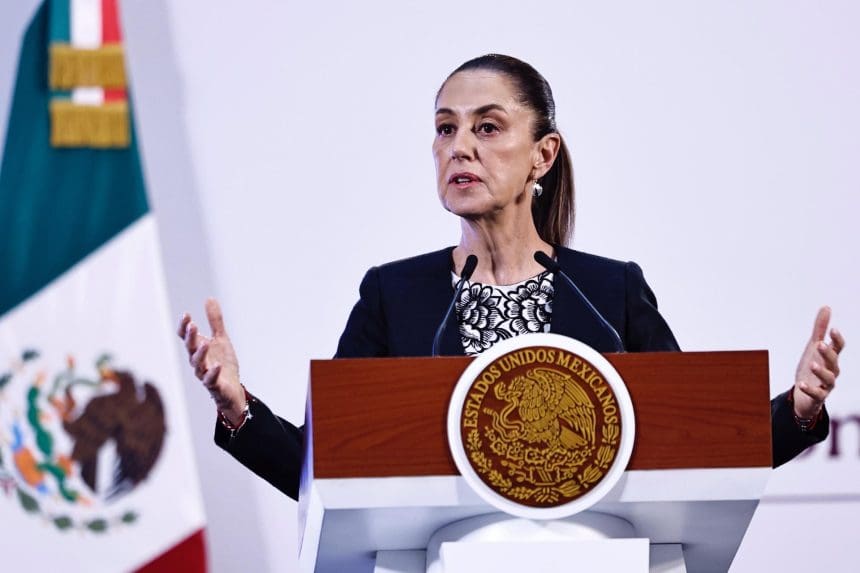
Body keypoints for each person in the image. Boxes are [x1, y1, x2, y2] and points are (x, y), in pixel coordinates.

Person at [177, 55, 845, 501]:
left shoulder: (609, 293)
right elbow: (327, 472)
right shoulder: (394, 295)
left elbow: (694, 451)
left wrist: (799, 411)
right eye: (445, 129)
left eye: (488, 127)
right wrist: (239, 410)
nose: (459, 146)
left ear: (542, 154)